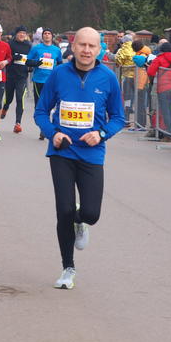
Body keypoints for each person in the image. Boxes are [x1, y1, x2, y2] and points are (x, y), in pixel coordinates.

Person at [33, 27, 125, 289]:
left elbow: (118, 117)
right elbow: (41, 112)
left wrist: (101, 134)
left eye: (91, 46)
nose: (86, 50)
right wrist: (54, 134)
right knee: (63, 210)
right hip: (62, 152)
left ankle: (81, 222)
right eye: (82, 45)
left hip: (92, 154)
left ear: (100, 50)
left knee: (91, 214)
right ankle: (68, 268)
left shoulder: (108, 78)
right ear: (73, 47)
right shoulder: (59, 74)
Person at [27, 27, 63, 139]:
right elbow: (27, 61)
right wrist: (36, 63)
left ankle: (46, 128)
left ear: (52, 36)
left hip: (52, 81)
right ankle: (43, 127)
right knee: (39, 105)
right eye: (45, 33)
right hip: (38, 80)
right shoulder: (36, 48)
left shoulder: (56, 50)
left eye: (49, 33)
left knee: (51, 104)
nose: (47, 35)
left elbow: (60, 64)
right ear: (42, 36)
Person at [147, 42, 171, 139]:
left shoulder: (159, 58)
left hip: (163, 87)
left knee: (165, 111)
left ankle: (169, 133)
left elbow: (150, 72)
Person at [1, 25, 32, 133]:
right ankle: (5, 108)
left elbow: (31, 59)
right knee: (9, 98)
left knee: (20, 98)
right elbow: (4, 57)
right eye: (20, 33)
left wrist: (30, 66)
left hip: (22, 77)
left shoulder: (29, 46)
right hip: (10, 76)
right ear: (16, 34)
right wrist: (13, 57)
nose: (22, 35)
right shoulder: (10, 44)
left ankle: (18, 123)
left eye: (24, 33)